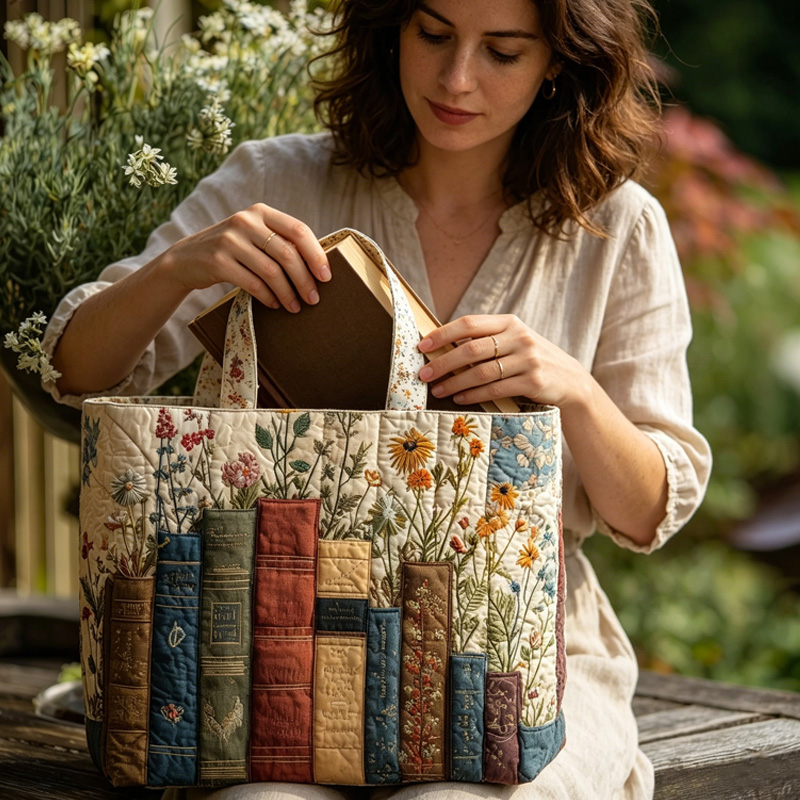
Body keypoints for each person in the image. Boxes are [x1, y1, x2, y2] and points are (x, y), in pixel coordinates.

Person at [44, 0, 711, 797]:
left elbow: (648, 511)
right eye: (432, 35)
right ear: (390, 26)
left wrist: (571, 389)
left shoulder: (617, 227)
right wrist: (184, 265)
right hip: (270, 645)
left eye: (502, 51)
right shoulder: (277, 180)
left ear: (560, 63)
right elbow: (79, 371)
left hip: (516, 663)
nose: (456, 78)